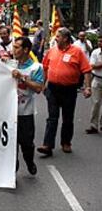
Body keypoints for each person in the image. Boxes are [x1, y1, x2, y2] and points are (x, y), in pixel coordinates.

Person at [37, 28, 92, 157]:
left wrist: (87, 87)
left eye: (58, 36)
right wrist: (43, 83)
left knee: (68, 118)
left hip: (69, 90)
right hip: (52, 89)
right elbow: (45, 67)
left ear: (65, 38)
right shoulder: (52, 51)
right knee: (52, 118)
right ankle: (47, 145)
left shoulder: (77, 52)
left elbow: (87, 70)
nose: (55, 38)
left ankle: (66, 142)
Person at [11, 36, 44, 175]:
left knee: (26, 143)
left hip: (25, 112)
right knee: (11, 143)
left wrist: (22, 78)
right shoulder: (9, 64)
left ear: (26, 50)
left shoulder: (36, 67)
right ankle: (13, 166)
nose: (14, 50)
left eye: (17, 47)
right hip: (9, 112)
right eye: (14, 46)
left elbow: (38, 87)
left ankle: (29, 161)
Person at [85, 35, 102, 134]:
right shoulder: (95, 52)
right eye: (99, 42)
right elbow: (91, 66)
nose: (100, 43)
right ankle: (93, 125)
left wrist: (98, 65)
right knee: (96, 103)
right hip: (97, 79)